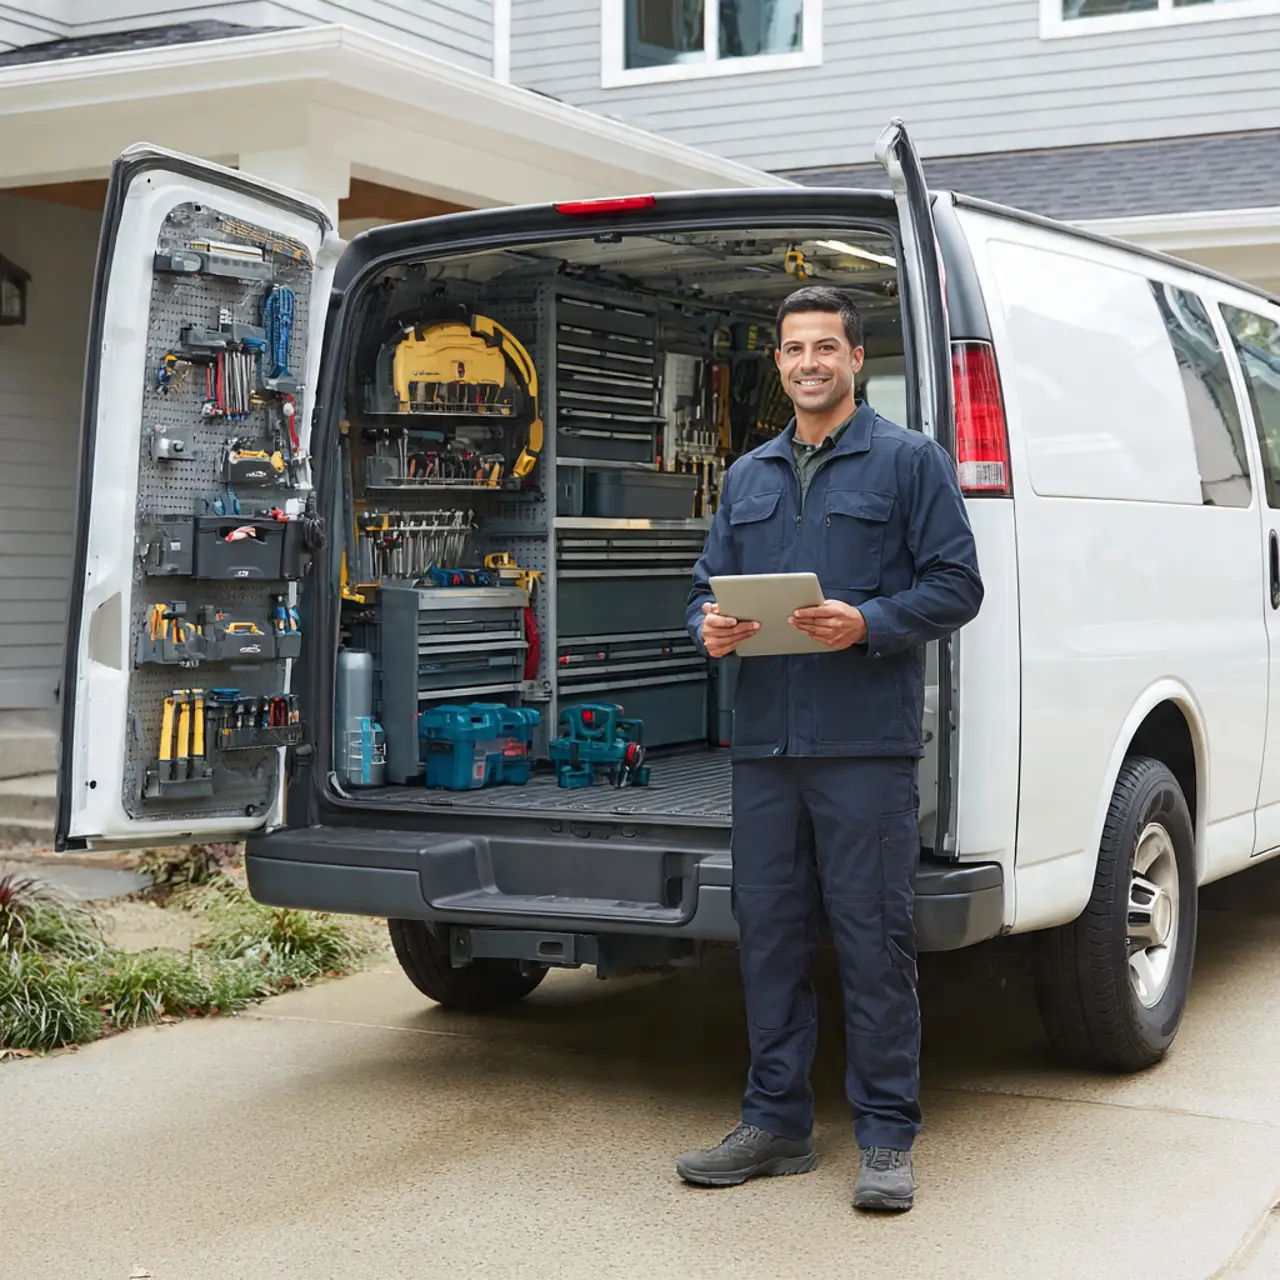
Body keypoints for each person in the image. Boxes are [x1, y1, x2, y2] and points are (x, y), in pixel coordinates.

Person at [676, 285, 983, 1212]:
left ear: (855, 359)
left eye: (826, 347)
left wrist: (869, 621)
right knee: (767, 937)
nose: (809, 362)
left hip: (863, 748)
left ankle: (887, 1137)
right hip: (766, 747)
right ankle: (776, 1125)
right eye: (793, 349)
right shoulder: (748, 475)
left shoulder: (907, 461)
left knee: (871, 939)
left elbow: (958, 585)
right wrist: (710, 628)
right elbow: (701, 591)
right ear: (778, 364)